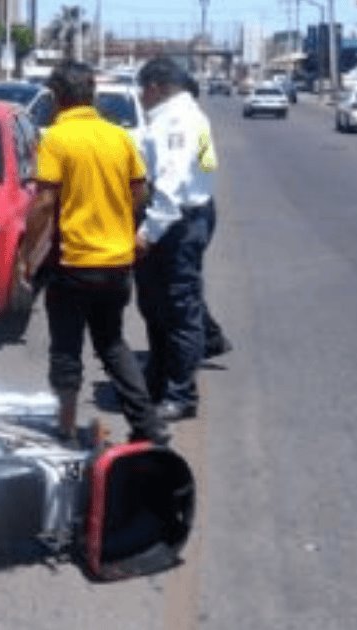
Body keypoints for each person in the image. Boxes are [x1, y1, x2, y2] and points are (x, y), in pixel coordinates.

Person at [19, 60, 170, 447]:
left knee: (66, 350)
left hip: (73, 265)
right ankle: (148, 426)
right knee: (113, 345)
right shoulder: (119, 137)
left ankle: (66, 430)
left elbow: (42, 203)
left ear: (58, 97)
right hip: (116, 264)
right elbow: (140, 191)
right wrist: (121, 223)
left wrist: (25, 253)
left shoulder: (56, 139)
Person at [133, 57, 226, 422]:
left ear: (156, 87)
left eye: (142, 89)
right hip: (197, 214)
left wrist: (146, 234)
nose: (140, 97)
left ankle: (180, 395)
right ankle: (158, 377)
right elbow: (208, 163)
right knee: (162, 306)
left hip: (175, 222)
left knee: (176, 311)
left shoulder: (174, 122)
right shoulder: (196, 116)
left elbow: (169, 189)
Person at [182, 72, 233, 360]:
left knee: (183, 283)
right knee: (188, 280)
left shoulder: (183, 123)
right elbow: (209, 161)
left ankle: (209, 338)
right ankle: (210, 337)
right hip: (204, 208)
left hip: (188, 210)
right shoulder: (200, 121)